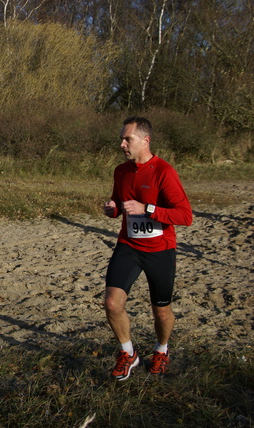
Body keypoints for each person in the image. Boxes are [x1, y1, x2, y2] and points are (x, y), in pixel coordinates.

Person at [103, 116, 192, 381]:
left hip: (160, 249)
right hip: (129, 246)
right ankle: (128, 353)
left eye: (127, 139)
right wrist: (113, 209)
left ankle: (161, 350)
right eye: (121, 138)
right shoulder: (121, 171)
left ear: (145, 140)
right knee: (111, 303)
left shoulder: (164, 171)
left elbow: (185, 216)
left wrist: (148, 209)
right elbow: (120, 203)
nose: (122, 144)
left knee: (161, 311)